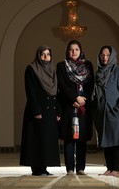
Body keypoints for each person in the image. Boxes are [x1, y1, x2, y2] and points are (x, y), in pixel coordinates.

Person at [19, 45, 61, 176]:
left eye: (48, 54)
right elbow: (30, 92)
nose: (45, 57)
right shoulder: (31, 69)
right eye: (43, 54)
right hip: (37, 111)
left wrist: (58, 111)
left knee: (47, 140)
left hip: (51, 111)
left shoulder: (53, 70)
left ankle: (44, 167)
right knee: (37, 139)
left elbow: (57, 92)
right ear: (38, 55)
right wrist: (36, 111)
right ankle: (36, 169)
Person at [56, 40, 94, 175]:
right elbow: (62, 86)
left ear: (81, 50)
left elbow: (91, 85)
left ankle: (81, 168)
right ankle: (70, 169)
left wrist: (84, 99)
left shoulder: (88, 65)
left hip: (83, 107)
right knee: (69, 138)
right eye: (71, 49)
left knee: (82, 138)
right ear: (67, 51)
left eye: (76, 49)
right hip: (68, 106)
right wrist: (74, 98)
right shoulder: (61, 66)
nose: (74, 52)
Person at [92, 45, 119, 177]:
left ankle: (116, 169)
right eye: (102, 55)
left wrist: (118, 109)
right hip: (102, 113)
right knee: (106, 141)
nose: (105, 58)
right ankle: (109, 168)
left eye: (108, 55)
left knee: (116, 141)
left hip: (115, 112)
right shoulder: (98, 73)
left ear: (112, 56)